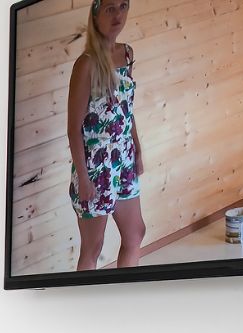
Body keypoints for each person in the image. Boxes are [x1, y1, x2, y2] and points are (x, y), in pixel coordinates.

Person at [67, 0, 145, 270]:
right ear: (95, 14)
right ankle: (86, 296)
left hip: (124, 158)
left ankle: (124, 291)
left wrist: (137, 148)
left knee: (135, 234)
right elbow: (73, 128)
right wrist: (83, 178)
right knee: (93, 247)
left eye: (123, 6)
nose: (118, 15)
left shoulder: (127, 54)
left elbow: (126, 109)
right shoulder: (86, 65)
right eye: (110, 8)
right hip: (96, 165)